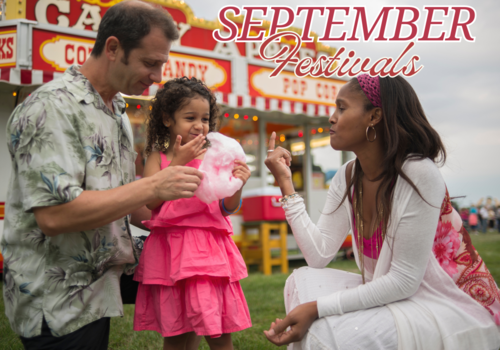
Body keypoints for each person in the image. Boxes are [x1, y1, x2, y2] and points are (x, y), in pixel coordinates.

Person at [2, 2, 205, 349]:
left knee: (194, 280)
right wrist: (154, 183)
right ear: (113, 48)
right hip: (60, 296)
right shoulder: (51, 108)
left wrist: (201, 226)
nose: (157, 76)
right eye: (149, 63)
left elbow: (131, 205)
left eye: (161, 64)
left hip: (104, 274)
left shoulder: (116, 111)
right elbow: (54, 215)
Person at [263, 74, 500, 350]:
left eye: (341, 107)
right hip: (395, 297)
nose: (332, 117)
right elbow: (318, 256)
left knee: (327, 334)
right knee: (301, 279)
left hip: (440, 303)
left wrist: (318, 308)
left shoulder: (418, 172)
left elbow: (404, 282)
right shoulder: (347, 175)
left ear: (374, 116)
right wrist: (285, 183)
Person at [133, 77, 252, 350]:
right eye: (190, 117)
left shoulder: (215, 157)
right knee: (176, 334)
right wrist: (178, 162)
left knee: (219, 332)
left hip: (210, 252)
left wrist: (237, 186)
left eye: (205, 118)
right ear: (167, 119)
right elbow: (151, 201)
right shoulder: (157, 157)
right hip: (171, 251)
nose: (200, 125)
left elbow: (225, 207)